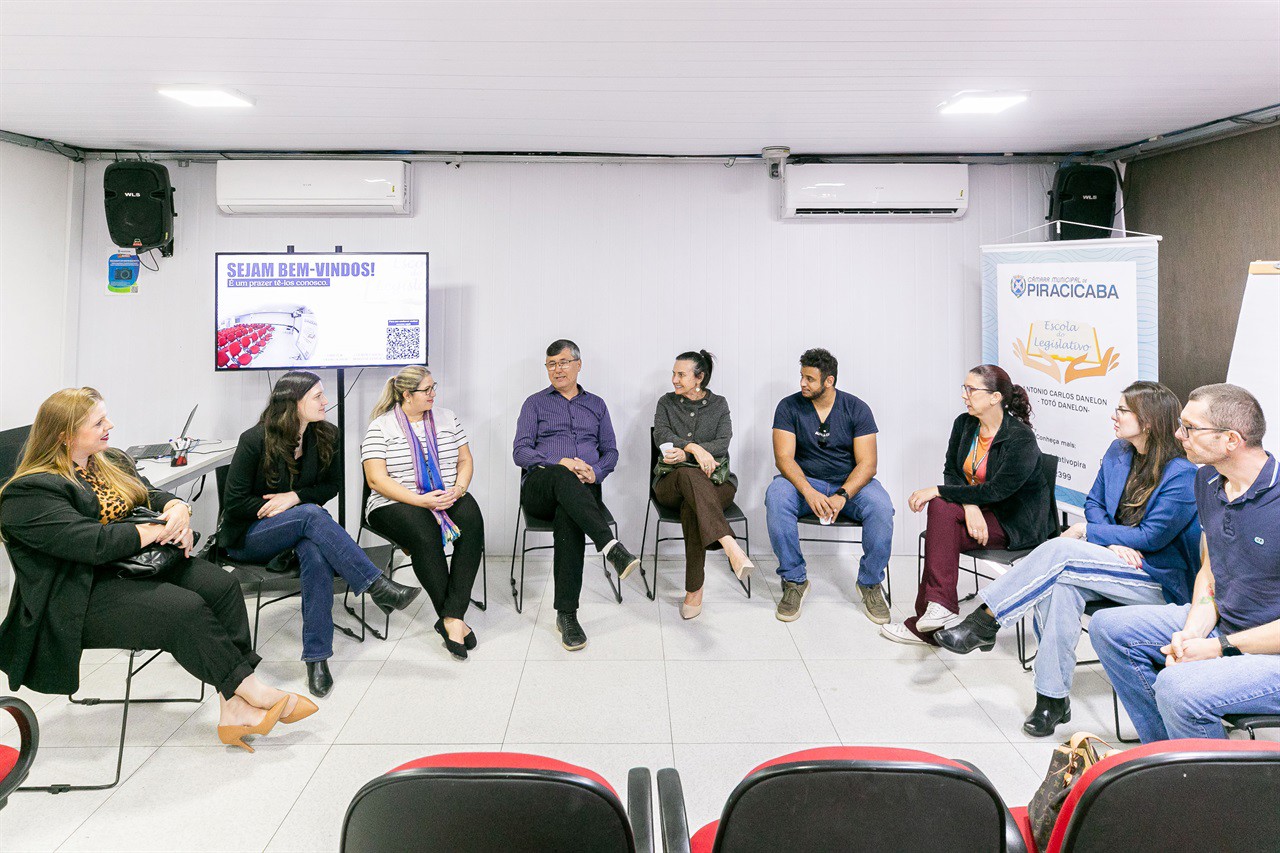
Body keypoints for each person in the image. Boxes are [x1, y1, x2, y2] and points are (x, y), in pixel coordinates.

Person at [0, 388, 316, 752]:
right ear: (64, 435)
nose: (110, 425)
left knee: (222, 588)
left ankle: (234, 708)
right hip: (78, 595)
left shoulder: (109, 460)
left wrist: (178, 508)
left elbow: (149, 495)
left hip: (133, 567)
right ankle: (253, 691)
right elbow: (93, 543)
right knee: (184, 610)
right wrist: (160, 529)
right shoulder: (28, 492)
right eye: (99, 422)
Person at [934, 381, 1201, 736]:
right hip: (1109, 562)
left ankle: (986, 620)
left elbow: (1151, 537)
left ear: (1148, 421)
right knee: (1060, 584)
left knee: (1061, 551)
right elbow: (1093, 504)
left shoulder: (1182, 474)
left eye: (1122, 410)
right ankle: (1051, 700)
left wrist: (1091, 534)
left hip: (1156, 578)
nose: (1114, 416)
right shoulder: (1119, 451)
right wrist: (1106, 543)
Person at [1092, 384, 1280, 741]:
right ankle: (1167, 759)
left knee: (1177, 686)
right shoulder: (1206, 478)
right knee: (1108, 627)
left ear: (1230, 440)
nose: (1178, 436)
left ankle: (1205, 789)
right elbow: (1211, 571)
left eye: (1190, 428)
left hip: (1269, 650)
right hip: (1223, 625)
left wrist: (1219, 648)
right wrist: (1193, 631)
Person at [222, 371, 420, 697]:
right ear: (293, 403)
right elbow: (234, 505)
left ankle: (317, 658)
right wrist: (294, 508)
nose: (326, 401)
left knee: (315, 551)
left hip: (300, 531)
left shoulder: (326, 435)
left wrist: (295, 498)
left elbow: (332, 486)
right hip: (251, 537)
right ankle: (375, 584)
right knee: (311, 516)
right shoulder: (254, 440)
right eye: (317, 396)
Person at [885, 364, 1052, 645]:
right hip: (980, 512)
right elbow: (952, 471)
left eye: (971, 390)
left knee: (940, 515)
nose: (965, 395)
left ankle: (927, 622)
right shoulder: (964, 424)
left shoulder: (1020, 438)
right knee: (941, 514)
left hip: (1013, 521)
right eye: (965, 388)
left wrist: (939, 491)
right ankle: (940, 610)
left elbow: (999, 491)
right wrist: (970, 508)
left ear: (995, 398)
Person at [513, 339, 641, 651]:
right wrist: (558, 462)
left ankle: (566, 615)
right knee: (560, 474)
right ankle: (610, 546)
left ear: (578, 365)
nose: (557, 369)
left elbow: (610, 451)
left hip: (582, 492)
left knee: (568, 515)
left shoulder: (596, 405)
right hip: (541, 486)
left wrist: (595, 472)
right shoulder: (534, 404)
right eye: (551, 364)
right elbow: (520, 452)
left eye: (563, 362)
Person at [765, 348, 895, 624]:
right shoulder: (788, 407)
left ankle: (870, 583)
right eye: (801, 376)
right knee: (776, 495)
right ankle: (794, 580)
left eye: (810, 379)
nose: (802, 383)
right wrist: (808, 491)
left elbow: (868, 464)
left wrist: (842, 495)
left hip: (848, 484)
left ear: (829, 381)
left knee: (882, 507)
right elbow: (783, 459)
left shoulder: (856, 408)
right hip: (806, 482)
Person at [362, 366, 483, 660]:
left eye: (433, 387)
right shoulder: (381, 426)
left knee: (471, 518)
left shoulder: (447, 417)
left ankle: (451, 616)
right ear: (406, 394)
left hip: (443, 495)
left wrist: (459, 488)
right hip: (393, 503)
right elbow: (376, 480)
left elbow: (465, 459)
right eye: (426, 390)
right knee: (424, 532)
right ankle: (454, 620)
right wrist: (421, 501)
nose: (433, 394)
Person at [652, 350, 754, 619]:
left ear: (700, 377)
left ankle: (694, 591)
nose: (674, 379)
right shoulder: (666, 403)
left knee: (692, 505)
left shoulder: (719, 404)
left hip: (718, 484)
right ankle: (730, 545)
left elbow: (723, 442)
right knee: (688, 476)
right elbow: (661, 434)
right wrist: (694, 449)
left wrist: (687, 453)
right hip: (671, 483)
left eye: (681, 374)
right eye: (673, 373)